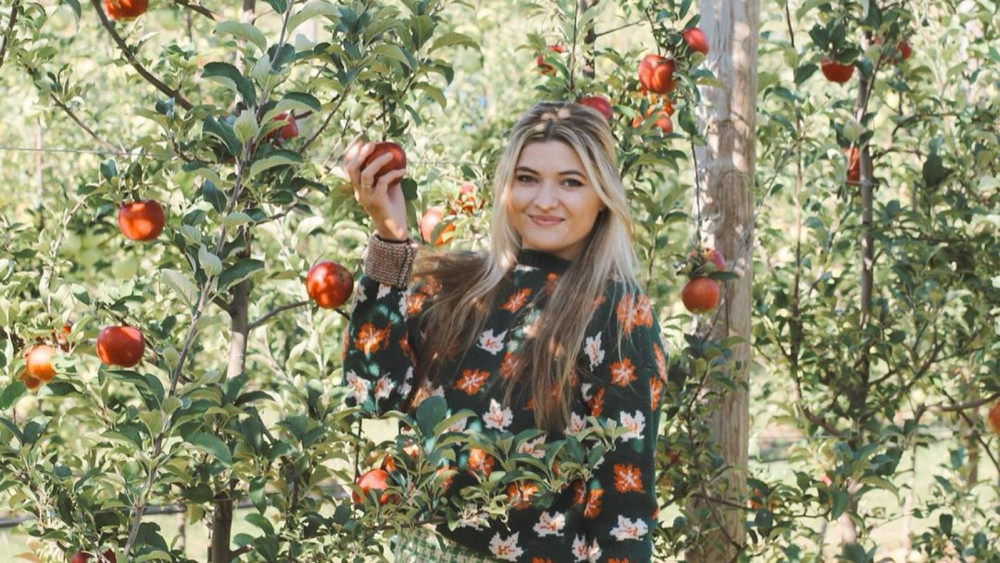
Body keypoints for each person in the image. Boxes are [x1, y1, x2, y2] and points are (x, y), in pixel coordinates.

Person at [340, 101, 667, 563]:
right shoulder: (459, 285)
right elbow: (373, 390)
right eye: (528, 178)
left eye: (570, 182)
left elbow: (622, 504)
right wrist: (391, 237)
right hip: (419, 551)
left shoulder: (615, 310)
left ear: (602, 195)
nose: (545, 200)